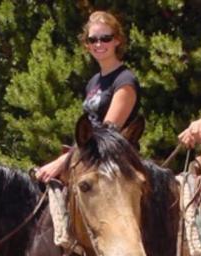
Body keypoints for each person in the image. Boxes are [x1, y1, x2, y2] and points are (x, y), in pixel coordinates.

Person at [36, 11, 142, 182]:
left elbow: (107, 133)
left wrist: (64, 161)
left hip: (113, 164)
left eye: (105, 38)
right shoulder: (93, 82)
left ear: (117, 40)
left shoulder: (125, 81)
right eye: (92, 39)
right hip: (87, 157)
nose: (98, 44)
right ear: (86, 44)